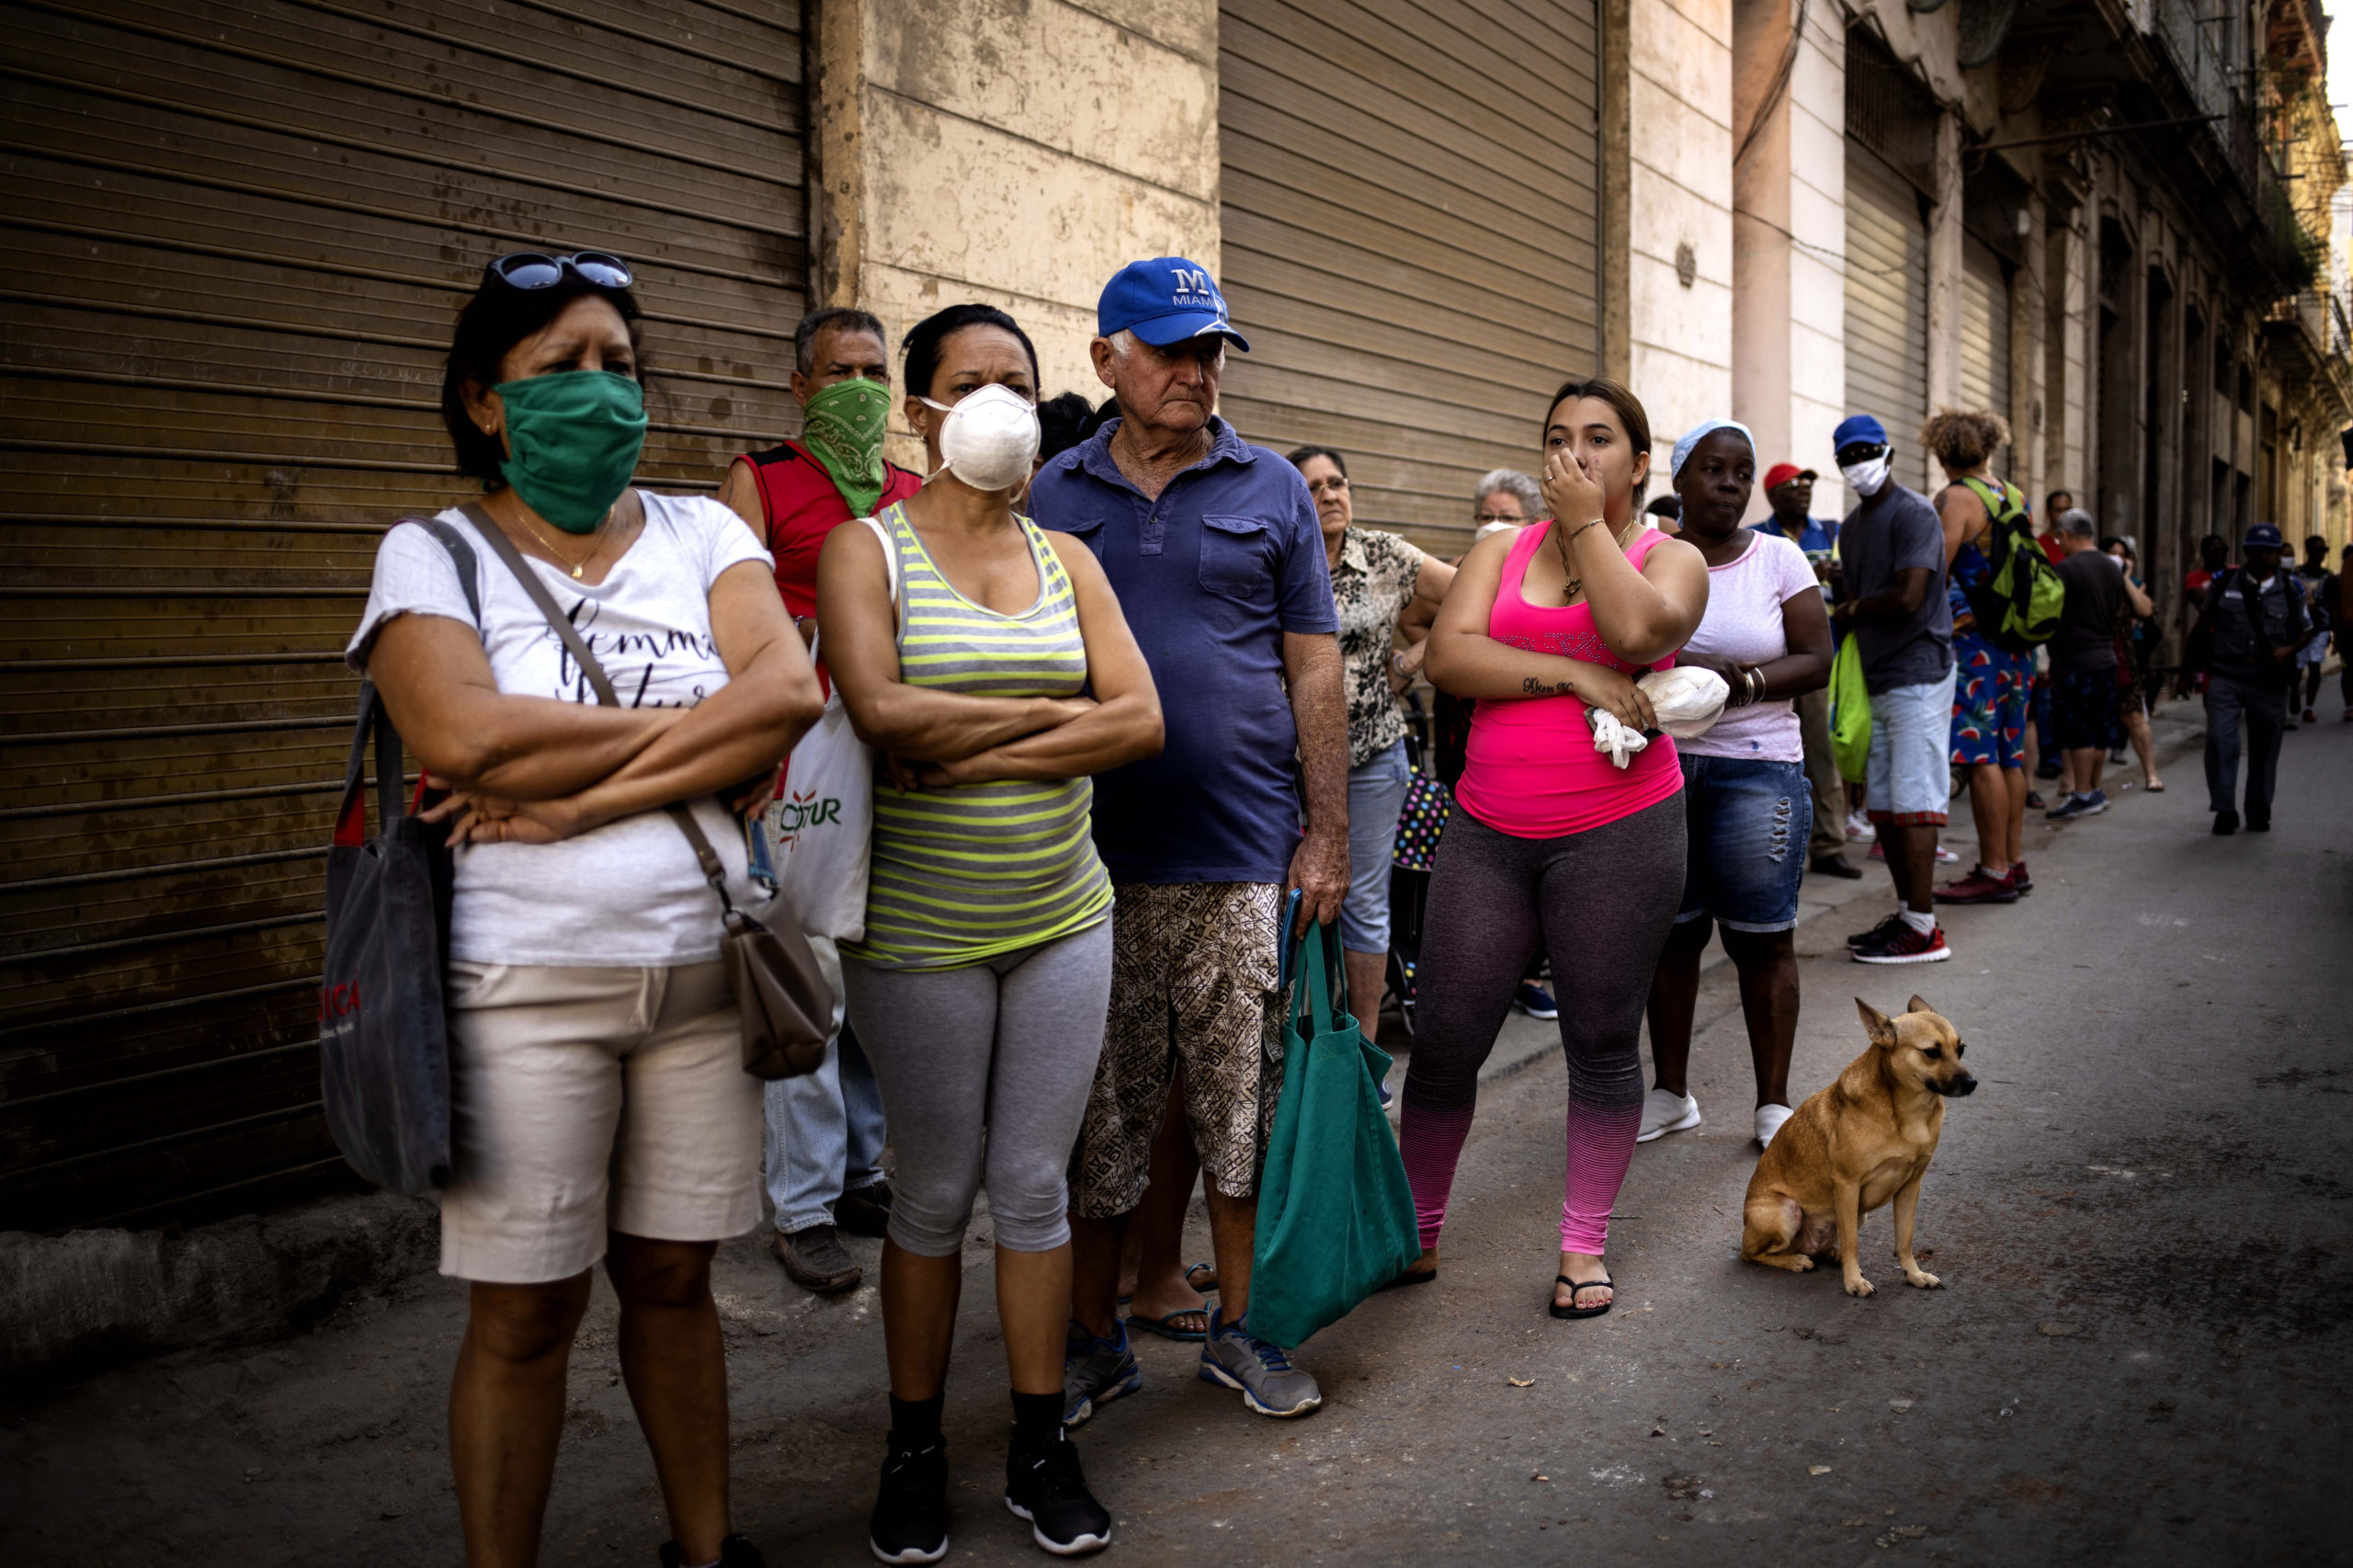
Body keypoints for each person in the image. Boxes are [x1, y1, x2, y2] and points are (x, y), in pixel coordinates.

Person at [350, 250, 825, 1568]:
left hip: (704, 981)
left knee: (676, 1284)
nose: (602, 389)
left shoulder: (704, 534)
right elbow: (453, 728)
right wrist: (696, 735)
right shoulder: (431, 552)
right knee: (525, 1312)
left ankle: (707, 1544)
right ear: (484, 403)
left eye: (619, 363)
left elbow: (787, 696)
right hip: (524, 991)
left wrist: (564, 795)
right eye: (561, 366)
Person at [817, 302, 1165, 1561]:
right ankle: (913, 1445)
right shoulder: (870, 551)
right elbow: (874, 705)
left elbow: (1139, 721)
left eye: (1018, 381)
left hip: (1064, 917)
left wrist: (967, 739)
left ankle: (1037, 1441)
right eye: (973, 383)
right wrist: (1047, 722)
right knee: (932, 1194)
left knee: (1032, 1187)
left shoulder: (1069, 556)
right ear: (921, 414)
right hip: (918, 934)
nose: (1002, 405)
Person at [1031, 256, 1348, 1422]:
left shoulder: (1267, 486)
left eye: (1210, 349)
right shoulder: (1047, 491)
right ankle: (1091, 1338)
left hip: (1241, 854)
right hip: (1083, 862)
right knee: (1099, 1122)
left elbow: (1314, 659)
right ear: (1106, 357)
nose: (1195, 371)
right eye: (1170, 350)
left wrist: (1324, 833)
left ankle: (1243, 1329)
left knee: (1239, 1110)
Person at [1403, 376, 1708, 1318]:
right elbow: (1450, 658)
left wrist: (1585, 527)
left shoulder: (1673, 558)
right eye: (1557, 438)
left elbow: (1634, 630)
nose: (1574, 457)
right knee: (1446, 1037)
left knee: (1602, 1039)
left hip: (1617, 834)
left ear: (1640, 461)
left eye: (1600, 440)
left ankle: (1582, 1245)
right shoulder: (1498, 548)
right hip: (1489, 831)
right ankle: (1412, 1232)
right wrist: (1574, 673)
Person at [718, 307, 926, 1297]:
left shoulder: (913, 493)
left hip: (894, 748)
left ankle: (858, 1171)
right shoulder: (759, 481)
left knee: (880, 968)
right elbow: (729, 620)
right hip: (799, 754)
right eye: (838, 369)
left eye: (873, 370)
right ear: (799, 384)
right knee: (807, 975)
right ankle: (801, 1206)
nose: (859, 386)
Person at [1638, 421, 1832, 1151]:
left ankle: (1773, 1104)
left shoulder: (1778, 559)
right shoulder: (1648, 558)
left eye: (1741, 471)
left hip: (1759, 771)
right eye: (1712, 469)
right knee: (1671, 938)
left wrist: (1741, 684)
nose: (1729, 482)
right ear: (1679, 480)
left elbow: (1817, 657)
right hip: (1660, 770)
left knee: (1762, 940)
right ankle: (1671, 1093)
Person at [1288, 446, 1457, 1045]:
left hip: (1372, 759)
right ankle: (1291, 1039)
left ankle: (1357, 1045)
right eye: (1313, 487)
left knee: (1364, 902)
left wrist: (1412, 658)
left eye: (1338, 483)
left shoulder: (1385, 554)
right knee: (1290, 898)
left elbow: (1472, 595)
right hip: (1283, 766)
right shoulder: (1275, 554)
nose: (1330, 494)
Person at [1829, 414, 1957, 965]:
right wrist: (1841, 590)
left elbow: (1909, 596)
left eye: (1865, 452)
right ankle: (1908, 914)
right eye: (1848, 457)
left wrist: (1853, 604)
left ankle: (1925, 928)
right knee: (1883, 805)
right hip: (1876, 675)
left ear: (1888, 452)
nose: (1858, 463)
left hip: (1919, 671)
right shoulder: (1852, 527)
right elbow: (1853, 597)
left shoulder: (1915, 513)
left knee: (1914, 801)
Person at [1919, 411, 2032, 906]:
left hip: (1974, 647)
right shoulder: (2011, 494)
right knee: (2009, 755)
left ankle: (1993, 870)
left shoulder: (1956, 498)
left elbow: (1934, 573)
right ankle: (2012, 861)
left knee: (1979, 754)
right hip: (2016, 644)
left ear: (1943, 452)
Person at [2188, 522, 2309, 833]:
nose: (2264, 557)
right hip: (2227, 673)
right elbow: (2203, 625)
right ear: (2247, 552)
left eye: (2270, 552)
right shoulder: (2226, 581)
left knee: (2265, 748)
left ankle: (2258, 809)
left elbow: (2310, 628)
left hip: (2269, 678)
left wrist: (2288, 651)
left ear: (2277, 553)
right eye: (2257, 551)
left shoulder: (2291, 587)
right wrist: (2190, 668)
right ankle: (2224, 809)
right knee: (2219, 740)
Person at [2044, 509, 2147, 822]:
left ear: (2067, 533)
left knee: (2079, 732)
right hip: (2105, 659)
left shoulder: (2065, 569)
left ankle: (2084, 793)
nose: (2058, 543)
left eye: (2059, 537)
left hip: (2075, 661)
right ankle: (2093, 790)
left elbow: (2049, 612)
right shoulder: (2112, 569)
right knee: (2098, 730)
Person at [2104, 536, 2165, 790]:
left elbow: (2146, 610)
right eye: (2112, 553)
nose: (2117, 558)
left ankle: (2151, 773)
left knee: (2135, 717)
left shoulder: (2132, 585)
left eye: (2122, 554)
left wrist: (2125, 578)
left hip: (2124, 658)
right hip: (2097, 655)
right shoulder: (2096, 580)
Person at [2293, 534, 2336, 726]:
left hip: (2320, 627)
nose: (2321, 555)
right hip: (2299, 627)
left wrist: (2333, 632)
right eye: (2317, 550)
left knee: (2315, 667)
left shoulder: (2328, 577)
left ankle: (2309, 706)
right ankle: (2294, 693)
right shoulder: (2297, 575)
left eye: (2323, 551)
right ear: (2309, 551)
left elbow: (2334, 605)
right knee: (2296, 666)